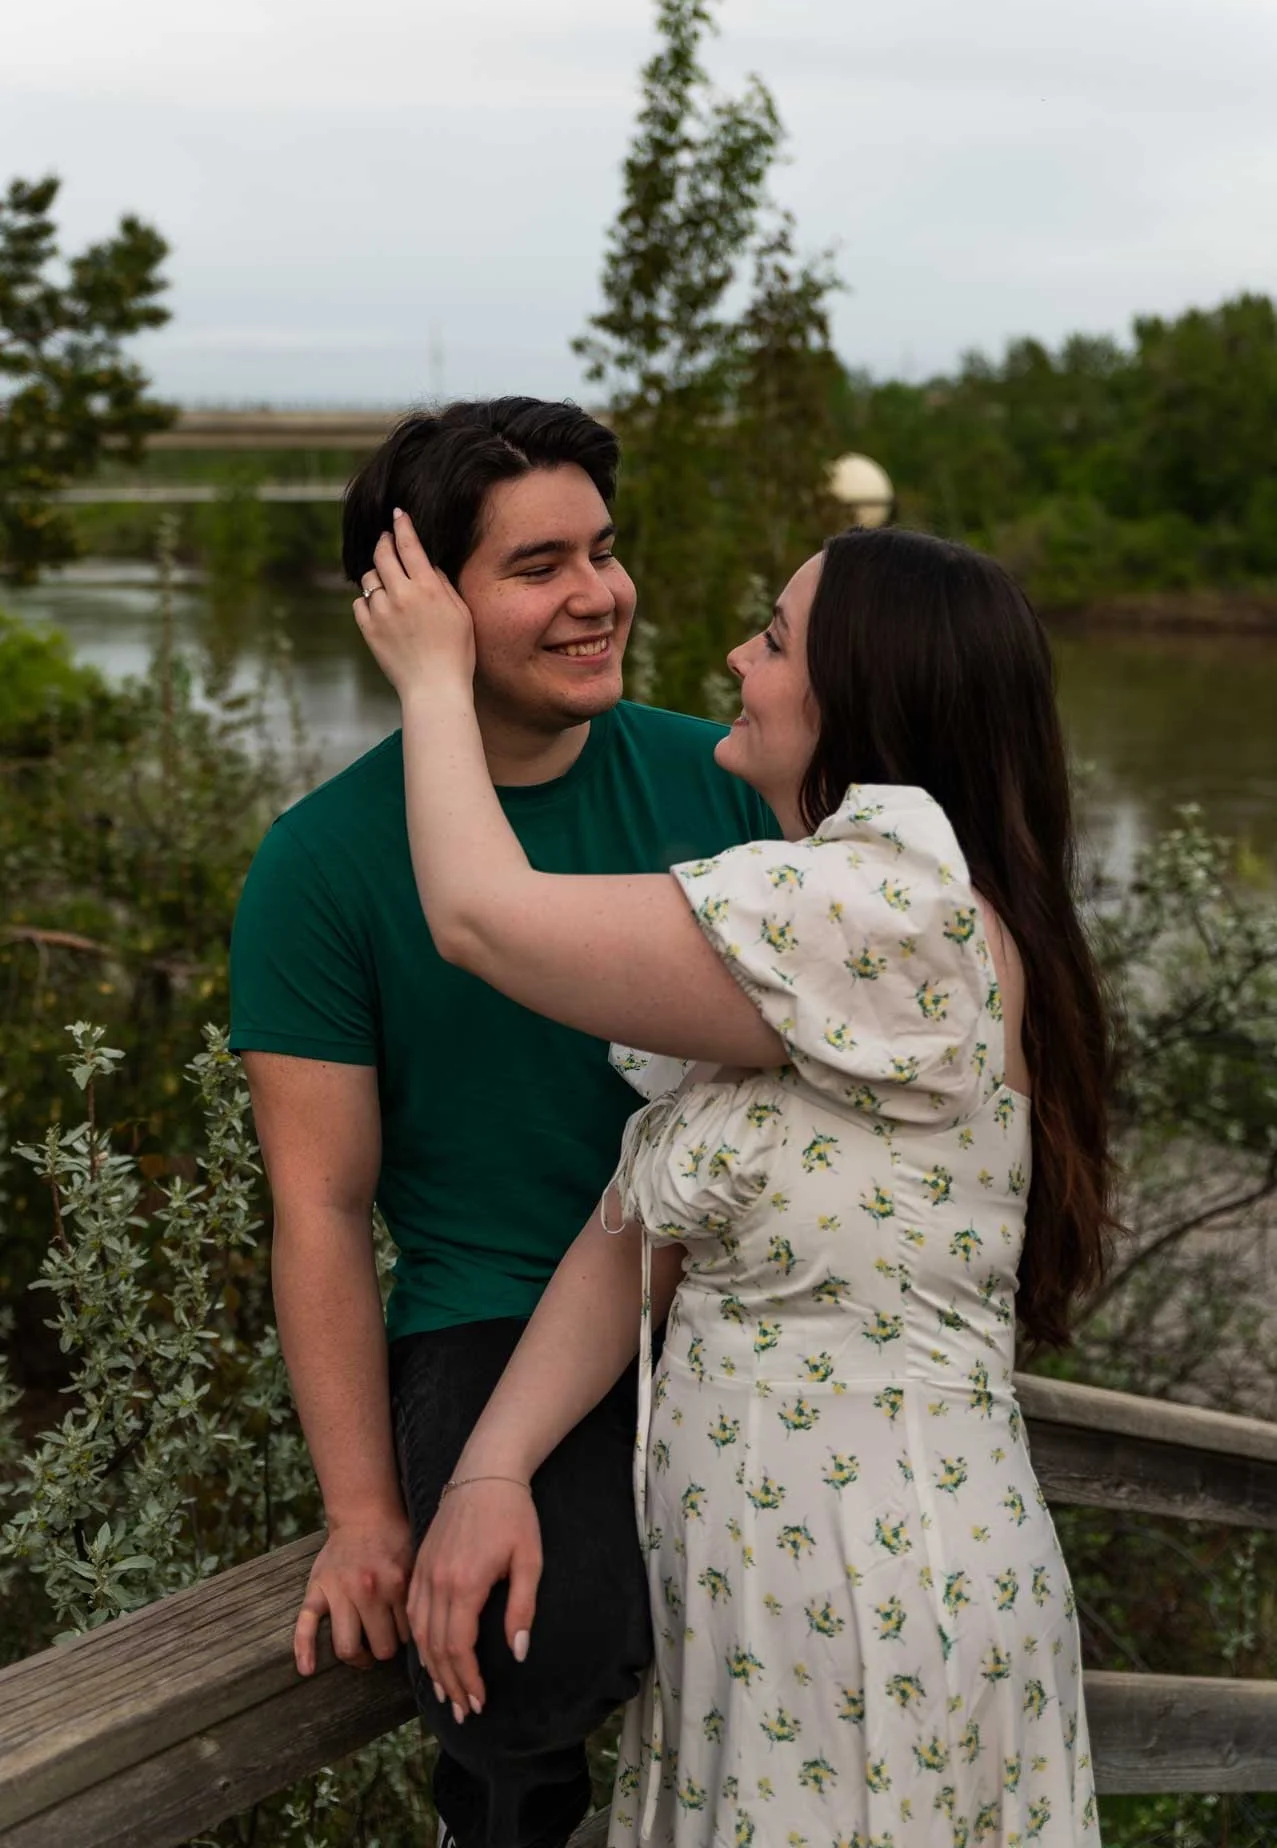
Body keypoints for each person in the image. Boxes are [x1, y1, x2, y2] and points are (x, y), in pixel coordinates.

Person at [352, 513, 1117, 1847]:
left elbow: (480, 918)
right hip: (751, 1605)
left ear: (858, 696)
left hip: (879, 1591)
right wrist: (490, 1472)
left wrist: (430, 679)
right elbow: (635, 1234)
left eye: (773, 639)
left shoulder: (890, 918)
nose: (736, 661)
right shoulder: (819, 941)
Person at [228, 397, 777, 1848]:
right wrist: (363, 1512)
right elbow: (321, 1207)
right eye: (539, 566)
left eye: (603, 550)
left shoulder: (723, 783)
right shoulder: (319, 863)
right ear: (415, 603)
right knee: (520, 1653)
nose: (598, 595)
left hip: (733, 1291)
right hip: (495, 1304)